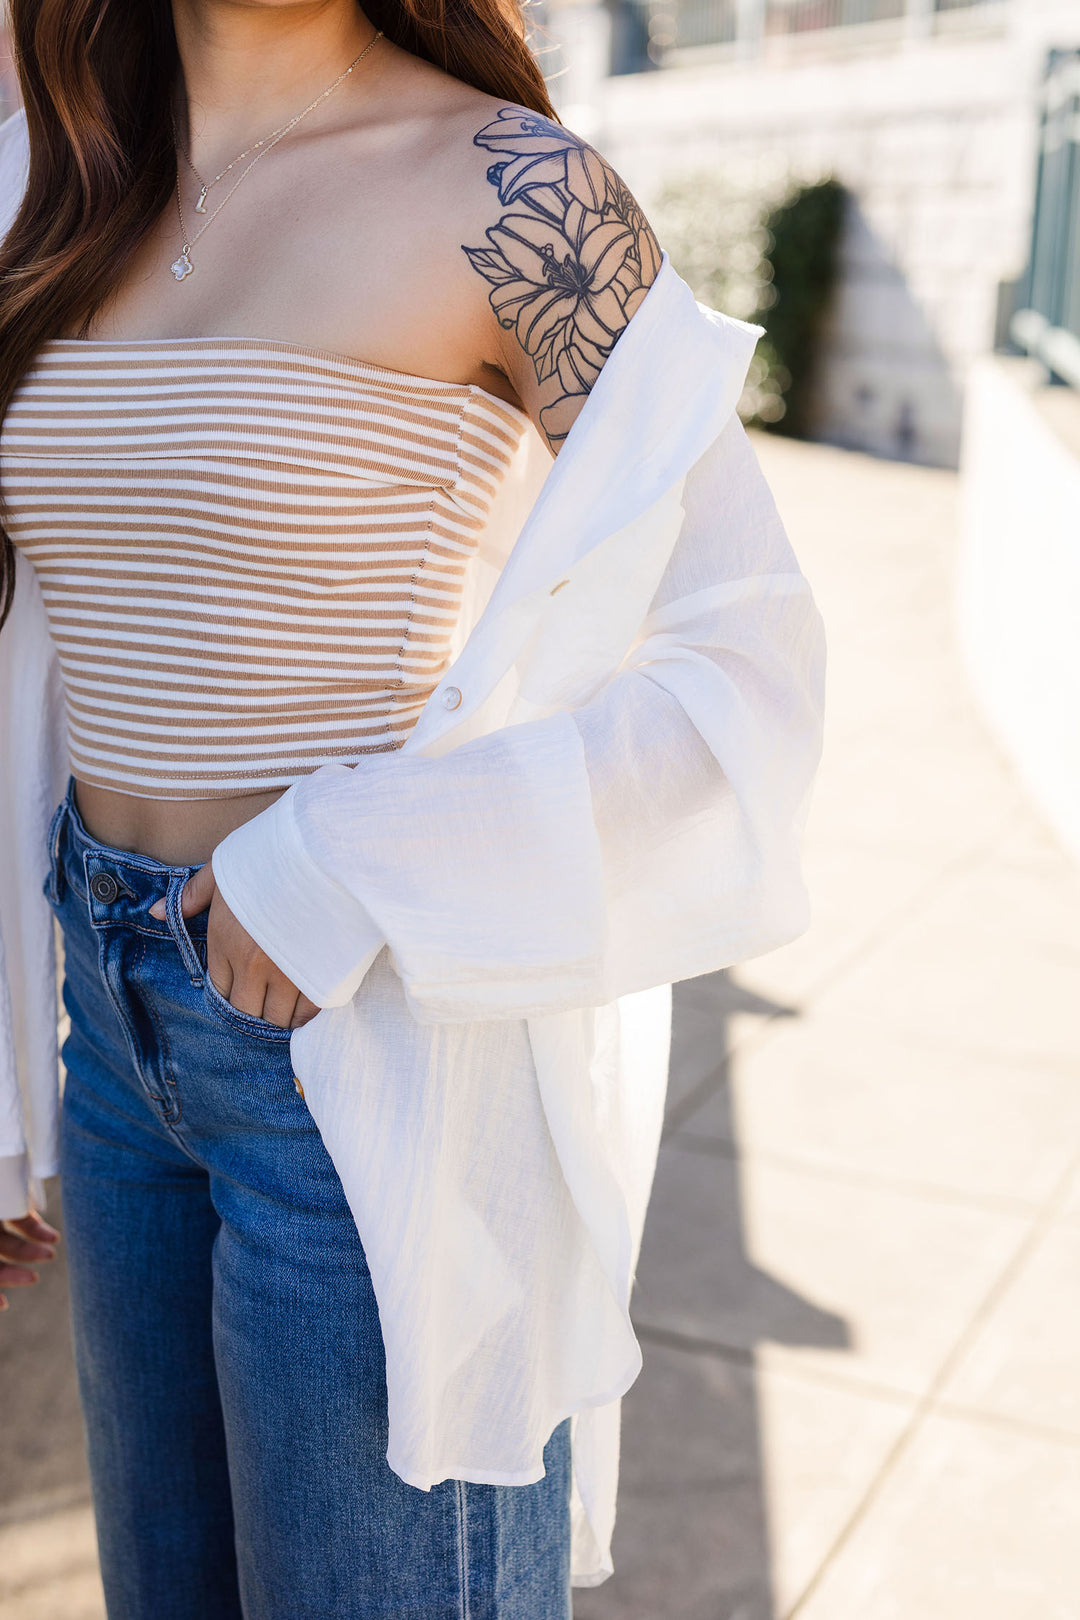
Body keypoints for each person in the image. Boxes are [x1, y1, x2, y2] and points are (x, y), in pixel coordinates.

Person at [0, 0, 827, 1613]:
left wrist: (342, 867)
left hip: (355, 1051)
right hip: (112, 1050)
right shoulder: (66, 174)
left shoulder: (516, 193)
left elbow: (747, 665)